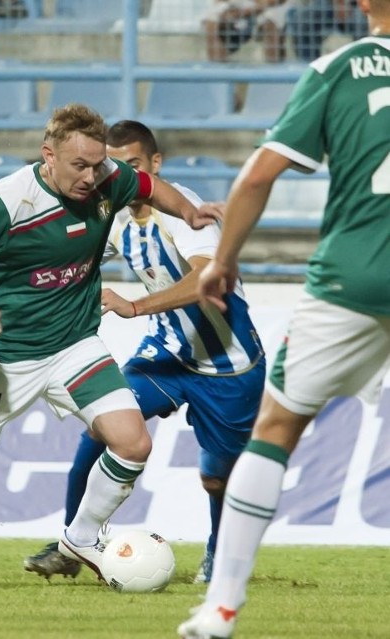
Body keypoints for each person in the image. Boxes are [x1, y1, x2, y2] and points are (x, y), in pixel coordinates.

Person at [0, 103, 220, 593]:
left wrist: (189, 211)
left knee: (133, 441)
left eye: (98, 165)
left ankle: (79, 538)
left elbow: (150, 188)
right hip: (2, 357)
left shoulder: (107, 179)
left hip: (73, 344)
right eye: (79, 165)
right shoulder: (9, 199)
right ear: (48, 155)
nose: (91, 176)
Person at [178, 1, 390, 636]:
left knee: (275, 427)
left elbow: (256, 177)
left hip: (354, 277)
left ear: (359, 4)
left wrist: (222, 260)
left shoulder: (338, 69)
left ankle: (220, 608)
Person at [19, 120, 266, 585]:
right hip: (166, 354)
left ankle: (220, 551)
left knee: (217, 477)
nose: (122, 175)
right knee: (100, 430)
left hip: (229, 364)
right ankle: (75, 542)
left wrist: (134, 306)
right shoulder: (113, 213)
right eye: (114, 166)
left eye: (133, 165)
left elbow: (208, 277)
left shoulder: (180, 209)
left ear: (155, 165)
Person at [202, 0, 293, 62]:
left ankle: (274, 73)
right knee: (212, 19)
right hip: (241, 4)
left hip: (271, 5)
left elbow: (274, 2)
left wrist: (246, 11)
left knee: (271, 22)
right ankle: (219, 73)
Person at [290, 0, 369, 60]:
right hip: (327, 4)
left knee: (362, 21)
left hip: (357, 4)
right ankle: (311, 64)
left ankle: (362, 60)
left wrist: (344, 4)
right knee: (301, 19)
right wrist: (338, 4)